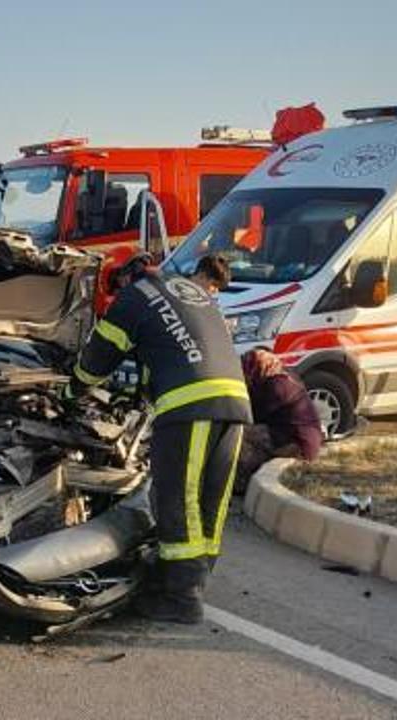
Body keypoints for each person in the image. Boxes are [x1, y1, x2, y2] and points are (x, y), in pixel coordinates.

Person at [65, 253, 251, 624]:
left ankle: (181, 598)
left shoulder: (134, 297)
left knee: (176, 497)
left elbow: (99, 356)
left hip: (191, 404)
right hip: (235, 403)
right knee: (209, 498)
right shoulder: (188, 292)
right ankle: (192, 579)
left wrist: (71, 392)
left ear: (123, 279)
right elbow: (168, 351)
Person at [233, 348, 323, 494]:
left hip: (298, 446)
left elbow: (253, 416)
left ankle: (241, 484)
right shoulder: (286, 376)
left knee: (240, 433)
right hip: (303, 441)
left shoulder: (276, 386)